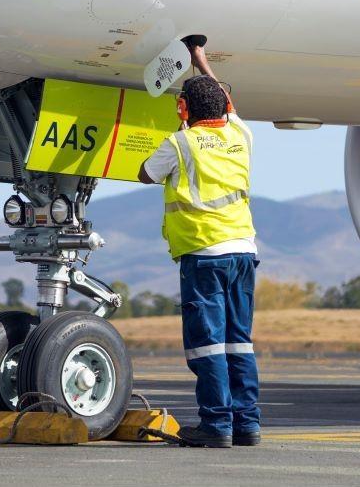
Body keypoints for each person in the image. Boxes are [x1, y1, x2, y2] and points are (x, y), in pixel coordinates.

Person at [138, 42, 260, 448]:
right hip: (242, 251)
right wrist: (200, 60)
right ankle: (247, 424)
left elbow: (145, 175)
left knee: (208, 345)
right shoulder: (241, 134)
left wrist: (180, 127)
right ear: (225, 108)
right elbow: (226, 101)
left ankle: (217, 426)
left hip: (204, 254)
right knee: (238, 340)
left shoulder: (180, 144)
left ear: (184, 110)